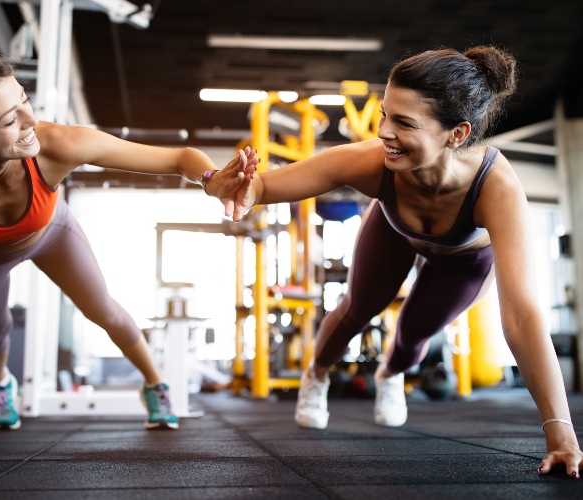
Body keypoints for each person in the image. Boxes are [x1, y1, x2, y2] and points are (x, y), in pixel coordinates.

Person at [0, 46, 257, 483]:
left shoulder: (57, 145)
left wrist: (211, 180)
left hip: (52, 233)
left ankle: (155, 384)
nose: (31, 122)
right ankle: (1, 383)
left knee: (104, 310)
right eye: (10, 120)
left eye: (24, 101)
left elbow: (175, 158)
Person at [206, 46, 583, 477]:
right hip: (394, 230)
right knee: (357, 308)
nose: (383, 131)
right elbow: (265, 189)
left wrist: (561, 433)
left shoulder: (497, 188)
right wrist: (237, 187)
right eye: (385, 113)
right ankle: (317, 374)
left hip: (462, 262)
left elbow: (521, 314)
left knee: (412, 336)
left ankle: (390, 374)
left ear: (456, 134)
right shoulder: (372, 162)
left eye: (403, 122)